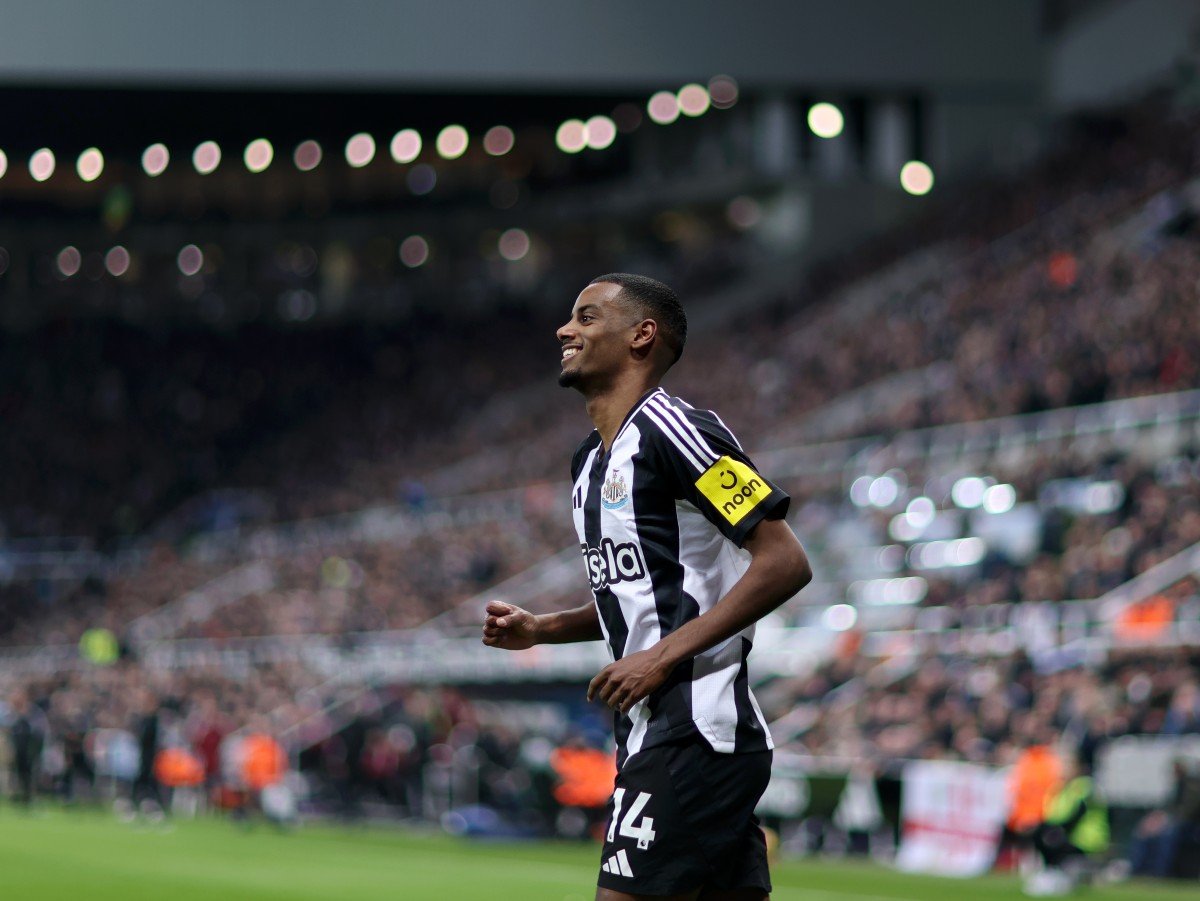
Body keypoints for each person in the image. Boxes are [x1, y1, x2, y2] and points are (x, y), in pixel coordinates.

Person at [484, 274, 811, 901]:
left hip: (696, 729)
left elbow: (783, 561)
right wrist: (543, 628)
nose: (564, 329)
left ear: (641, 335)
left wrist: (659, 658)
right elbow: (640, 593)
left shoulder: (676, 430)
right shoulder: (587, 462)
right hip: (649, 733)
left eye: (585, 317)